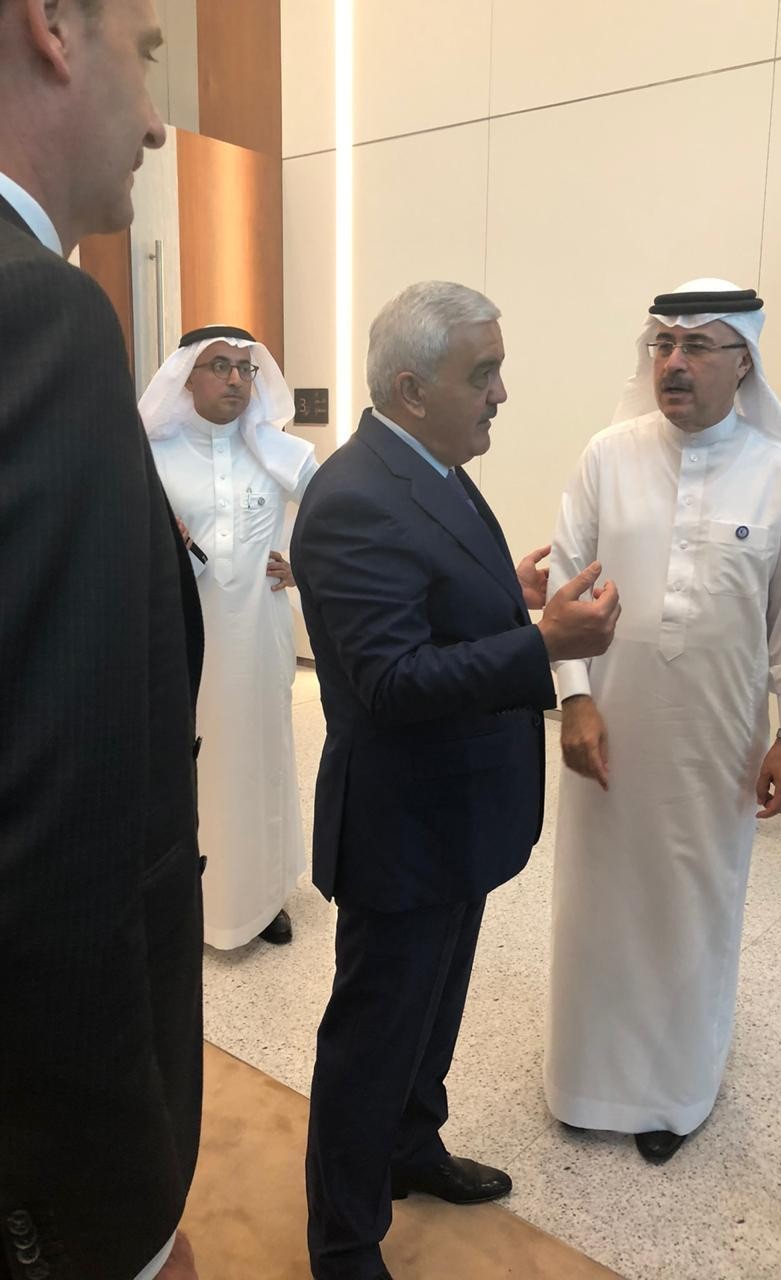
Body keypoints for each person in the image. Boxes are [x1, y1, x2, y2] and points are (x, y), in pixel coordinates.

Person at [290, 280, 620, 1280]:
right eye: (484, 374)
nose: (501, 394)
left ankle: (410, 1146)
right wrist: (541, 642)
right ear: (410, 387)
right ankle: (344, 1238)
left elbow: (427, 604)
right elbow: (391, 682)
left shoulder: (431, 465)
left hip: (458, 813)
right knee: (374, 1035)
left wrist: (502, 598)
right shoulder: (353, 498)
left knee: (431, 1012)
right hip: (404, 827)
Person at [0, 2, 203, 1278]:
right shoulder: (41, 317)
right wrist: (113, 1231)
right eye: (148, 49)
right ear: (54, 31)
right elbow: (51, 858)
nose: (160, 123)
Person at [544, 278, 781, 1165]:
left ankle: (672, 1094)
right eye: (663, 344)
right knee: (598, 904)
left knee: (692, 909)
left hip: (717, 740)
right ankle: (584, 1081)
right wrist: (574, 697)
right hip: (609, 730)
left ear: (743, 362)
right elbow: (565, 586)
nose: (674, 363)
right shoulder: (607, 456)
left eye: (698, 345)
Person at [141, 325, 318, 949]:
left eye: (245, 369)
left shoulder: (280, 453)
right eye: (220, 366)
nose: (236, 380)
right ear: (186, 377)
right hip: (180, 646)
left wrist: (306, 567)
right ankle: (188, 901)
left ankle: (262, 899)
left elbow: (343, 518)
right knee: (189, 769)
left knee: (260, 764)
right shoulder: (151, 456)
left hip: (259, 642)